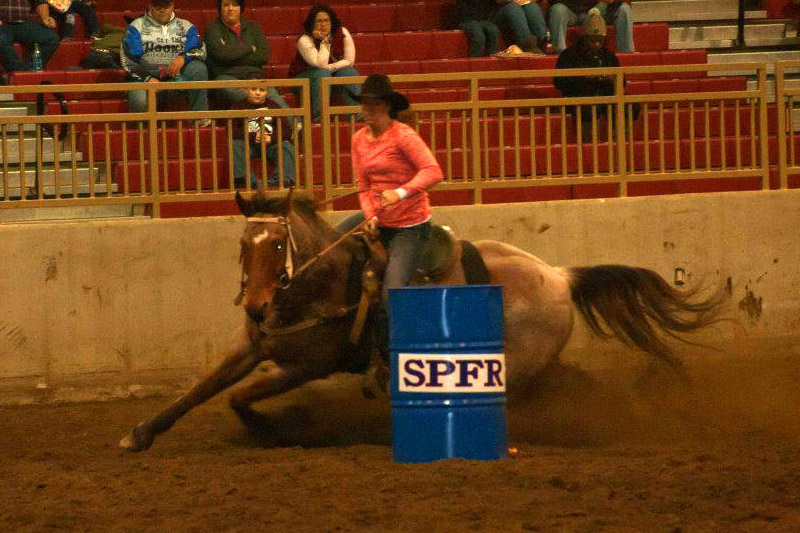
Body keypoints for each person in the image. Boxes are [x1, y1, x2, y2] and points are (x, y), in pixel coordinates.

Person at [351, 74, 443, 306]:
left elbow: (433, 171)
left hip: (409, 226)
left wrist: (400, 193)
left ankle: (395, 338)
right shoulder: (358, 139)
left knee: (392, 291)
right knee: (333, 245)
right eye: (365, 104)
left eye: (375, 104)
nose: (369, 110)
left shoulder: (403, 136)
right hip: (379, 217)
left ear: (388, 106)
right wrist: (369, 215)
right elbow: (363, 186)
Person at [554, 11, 636, 139]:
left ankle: (621, 140)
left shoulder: (608, 55)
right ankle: (589, 145)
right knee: (588, 108)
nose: (597, 44)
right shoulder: (569, 55)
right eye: (593, 41)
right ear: (585, 38)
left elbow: (622, 82)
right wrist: (584, 78)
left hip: (606, 95)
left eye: (600, 41)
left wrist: (612, 80)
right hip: (580, 96)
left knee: (628, 106)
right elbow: (559, 82)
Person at [121, 0, 209, 119]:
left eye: (166, 6)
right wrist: (147, 78)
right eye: (158, 6)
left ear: (173, 5)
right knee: (140, 102)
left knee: (198, 68)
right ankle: (147, 134)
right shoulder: (136, 26)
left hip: (176, 80)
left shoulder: (186, 26)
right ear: (150, 6)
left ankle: (200, 119)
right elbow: (128, 60)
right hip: (143, 82)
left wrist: (184, 57)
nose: (162, 10)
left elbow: (200, 50)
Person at [204, 0, 288, 111]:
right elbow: (221, 55)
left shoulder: (253, 27)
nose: (231, 8)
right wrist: (249, 48)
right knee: (250, 96)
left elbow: (263, 56)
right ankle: (260, 113)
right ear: (220, 9)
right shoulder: (213, 28)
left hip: (255, 77)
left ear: (241, 8)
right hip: (227, 77)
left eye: (235, 4)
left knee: (273, 96)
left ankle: (296, 127)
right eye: (226, 5)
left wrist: (231, 54)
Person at [287, 4, 360, 122]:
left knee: (349, 71)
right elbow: (320, 64)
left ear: (332, 22)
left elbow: (350, 61)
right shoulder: (304, 39)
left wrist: (330, 67)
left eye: (326, 20)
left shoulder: (343, 32)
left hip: (327, 74)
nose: (323, 24)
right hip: (303, 78)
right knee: (321, 73)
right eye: (319, 21)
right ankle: (320, 119)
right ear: (312, 24)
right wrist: (325, 41)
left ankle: (357, 115)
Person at [231, 75, 295, 188]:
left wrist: (271, 138)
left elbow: (286, 130)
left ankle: (283, 179)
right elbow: (233, 131)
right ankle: (248, 180)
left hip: (270, 143)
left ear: (267, 92)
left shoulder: (273, 106)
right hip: (248, 144)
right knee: (235, 145)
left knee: (287, 146)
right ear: (246, 90)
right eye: (253, 89)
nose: (257, 93)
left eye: (262, 90)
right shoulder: (238, 106)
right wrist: (252, 137)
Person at [456, 0, 544, 57]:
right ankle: (527, 43)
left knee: (531, 5)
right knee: (513, 7)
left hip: (507, 8)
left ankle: (542, 40)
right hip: (488, 16)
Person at [548, 0, 634, 53]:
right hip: (571, 11)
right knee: (557, 10)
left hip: (601, 10)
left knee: (624, 9)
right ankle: (561, 55)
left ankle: (626, 54)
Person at [0, 0, 59, 72]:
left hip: (24, 23)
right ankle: (18, 71)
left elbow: (40, 2)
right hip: (2, 24)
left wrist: (45, 17)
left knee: (51, 38)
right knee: (1, 40)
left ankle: (29, 69)